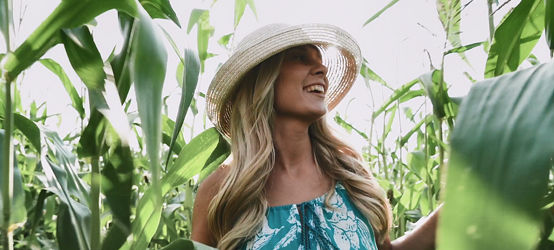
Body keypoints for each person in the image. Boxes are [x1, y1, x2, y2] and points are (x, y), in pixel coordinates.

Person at [191, 23, 439, 250]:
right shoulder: (223, 190)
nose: (321, 69)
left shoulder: (348, 172)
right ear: (264, 79)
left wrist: (451, 210)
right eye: (300, 58)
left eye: (320, 60)